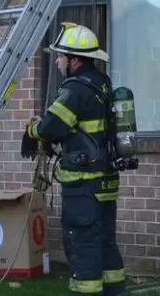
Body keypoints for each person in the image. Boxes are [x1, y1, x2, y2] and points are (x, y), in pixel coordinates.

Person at [20, 22, 125, 296]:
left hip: (83, 184)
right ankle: (114, 291)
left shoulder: (75, 89)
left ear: (74, 60)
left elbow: (51, 128)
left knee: (82, 244)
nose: (57, 60)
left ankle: (85, 292)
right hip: (105, 181)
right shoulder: (102, 82)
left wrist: (33, 129)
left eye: (61, 56)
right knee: (104, 242)